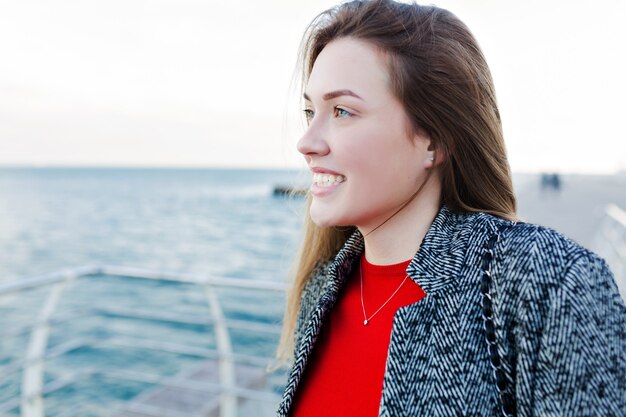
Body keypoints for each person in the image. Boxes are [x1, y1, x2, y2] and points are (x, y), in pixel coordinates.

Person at [276, 1, 626, 416]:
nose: (307, 142)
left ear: (434, 140)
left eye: (343, 111)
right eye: (310, 111)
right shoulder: (321, 289)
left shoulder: (548, 284)